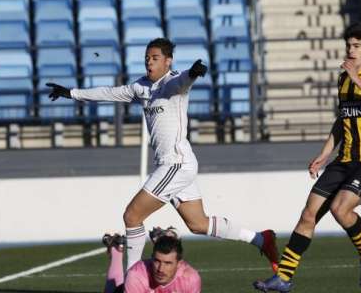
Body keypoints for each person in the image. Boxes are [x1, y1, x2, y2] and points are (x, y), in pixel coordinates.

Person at [46, 38, 278, 272]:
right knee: (198, 224)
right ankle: (262, 240)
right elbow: (109, 92)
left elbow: (184, 79)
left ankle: (133, 282)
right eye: (147, 58)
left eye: (155, 58)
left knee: (132, 216)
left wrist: (194, 72)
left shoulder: (173, 84)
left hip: (175, 164)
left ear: (168, 61)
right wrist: (71, 92)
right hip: (176, 165)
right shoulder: (141, 87)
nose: (149, 62)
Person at [253, 23, 361, 292]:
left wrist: (358, 80)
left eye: (356, 46)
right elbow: (343, 120)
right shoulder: (343, 79)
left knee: (341, 210)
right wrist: (325, 153)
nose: (350, 50)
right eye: (348, 45)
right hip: (344, 160)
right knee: (308, 214)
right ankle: (284, 277)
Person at [102, 227, 201, 293]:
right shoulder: (136, 275)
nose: (161, 269)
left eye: (168, 263)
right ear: (152, 257)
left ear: (179, 264)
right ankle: (116, 251)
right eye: (157, 261)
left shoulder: (190, 279)